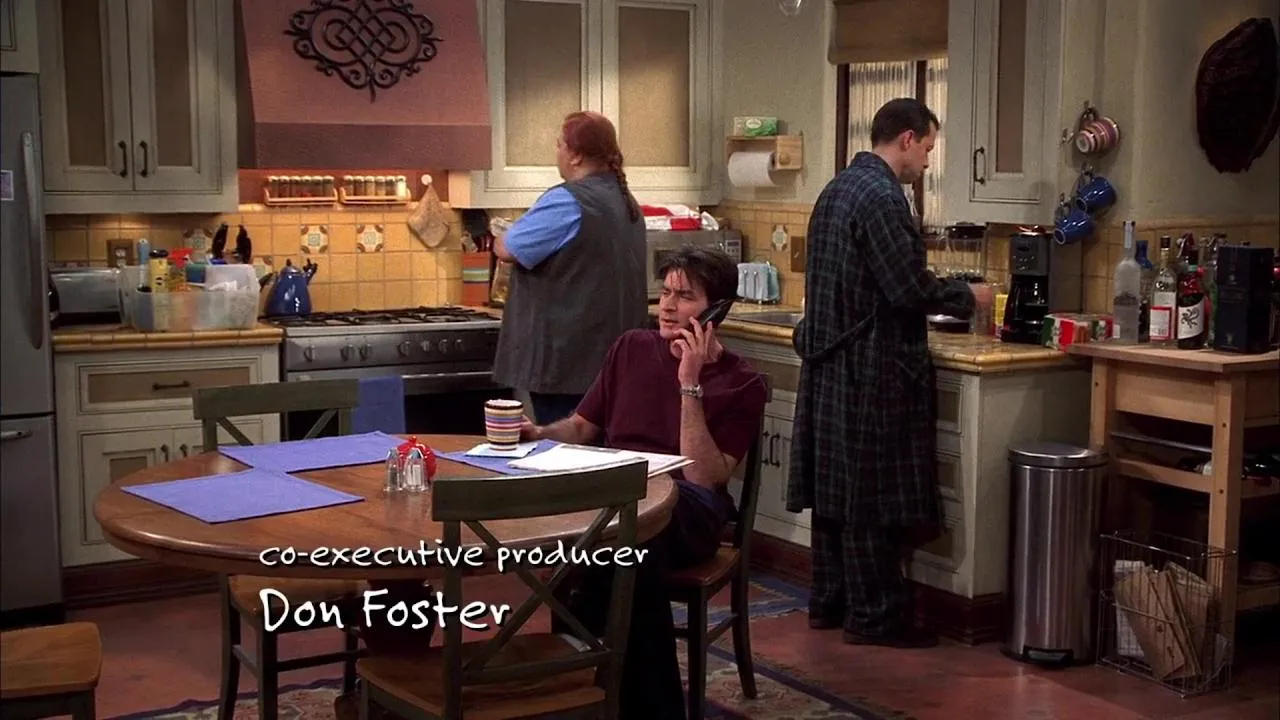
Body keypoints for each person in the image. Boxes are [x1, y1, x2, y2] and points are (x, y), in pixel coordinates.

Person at [521, 246, 768, 719]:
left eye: (685, 297)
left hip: (688, 506)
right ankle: (623, 699)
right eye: (666, 293)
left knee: (615, 547)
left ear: (717, 311)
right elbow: (581, 427)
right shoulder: (631, 348)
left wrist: (689, 382)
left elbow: (704, 476)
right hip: (619, 498)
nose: (668, 307)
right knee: (623, 551)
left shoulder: (743, 383)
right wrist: (538, 432)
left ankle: (585, 683)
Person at [787, 98, 975, 649]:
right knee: (869, 494)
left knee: (835, 494)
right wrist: (967, 295)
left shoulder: (838, 188)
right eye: (929, 149)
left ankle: (830, 600)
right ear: (908, 139)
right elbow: (907, 288)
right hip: (869, 366)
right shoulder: (884, 198)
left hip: (831, 361)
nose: (928, 163)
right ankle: (876, 616)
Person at [492, 111, 648, 425]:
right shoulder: (624, 200)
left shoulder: (567, 201)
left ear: (575, 156)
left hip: (565, 363)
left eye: (560, 145)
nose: (558, 153)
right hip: (611, 362)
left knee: (560, 448)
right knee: (598, 448)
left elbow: (508, 249)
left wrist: (502, 233)